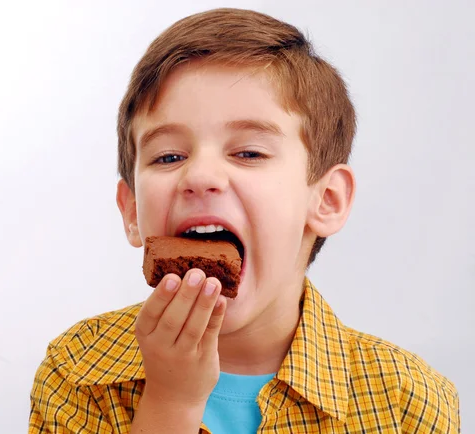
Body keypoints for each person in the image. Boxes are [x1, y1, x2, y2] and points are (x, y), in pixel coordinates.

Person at [29, 8, 460, 433]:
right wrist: (172, 400)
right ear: (132, 212)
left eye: (249, 153)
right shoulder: (77, 370)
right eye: (169, 156)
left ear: (326, 200)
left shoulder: (407, 401)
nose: (199, 176)